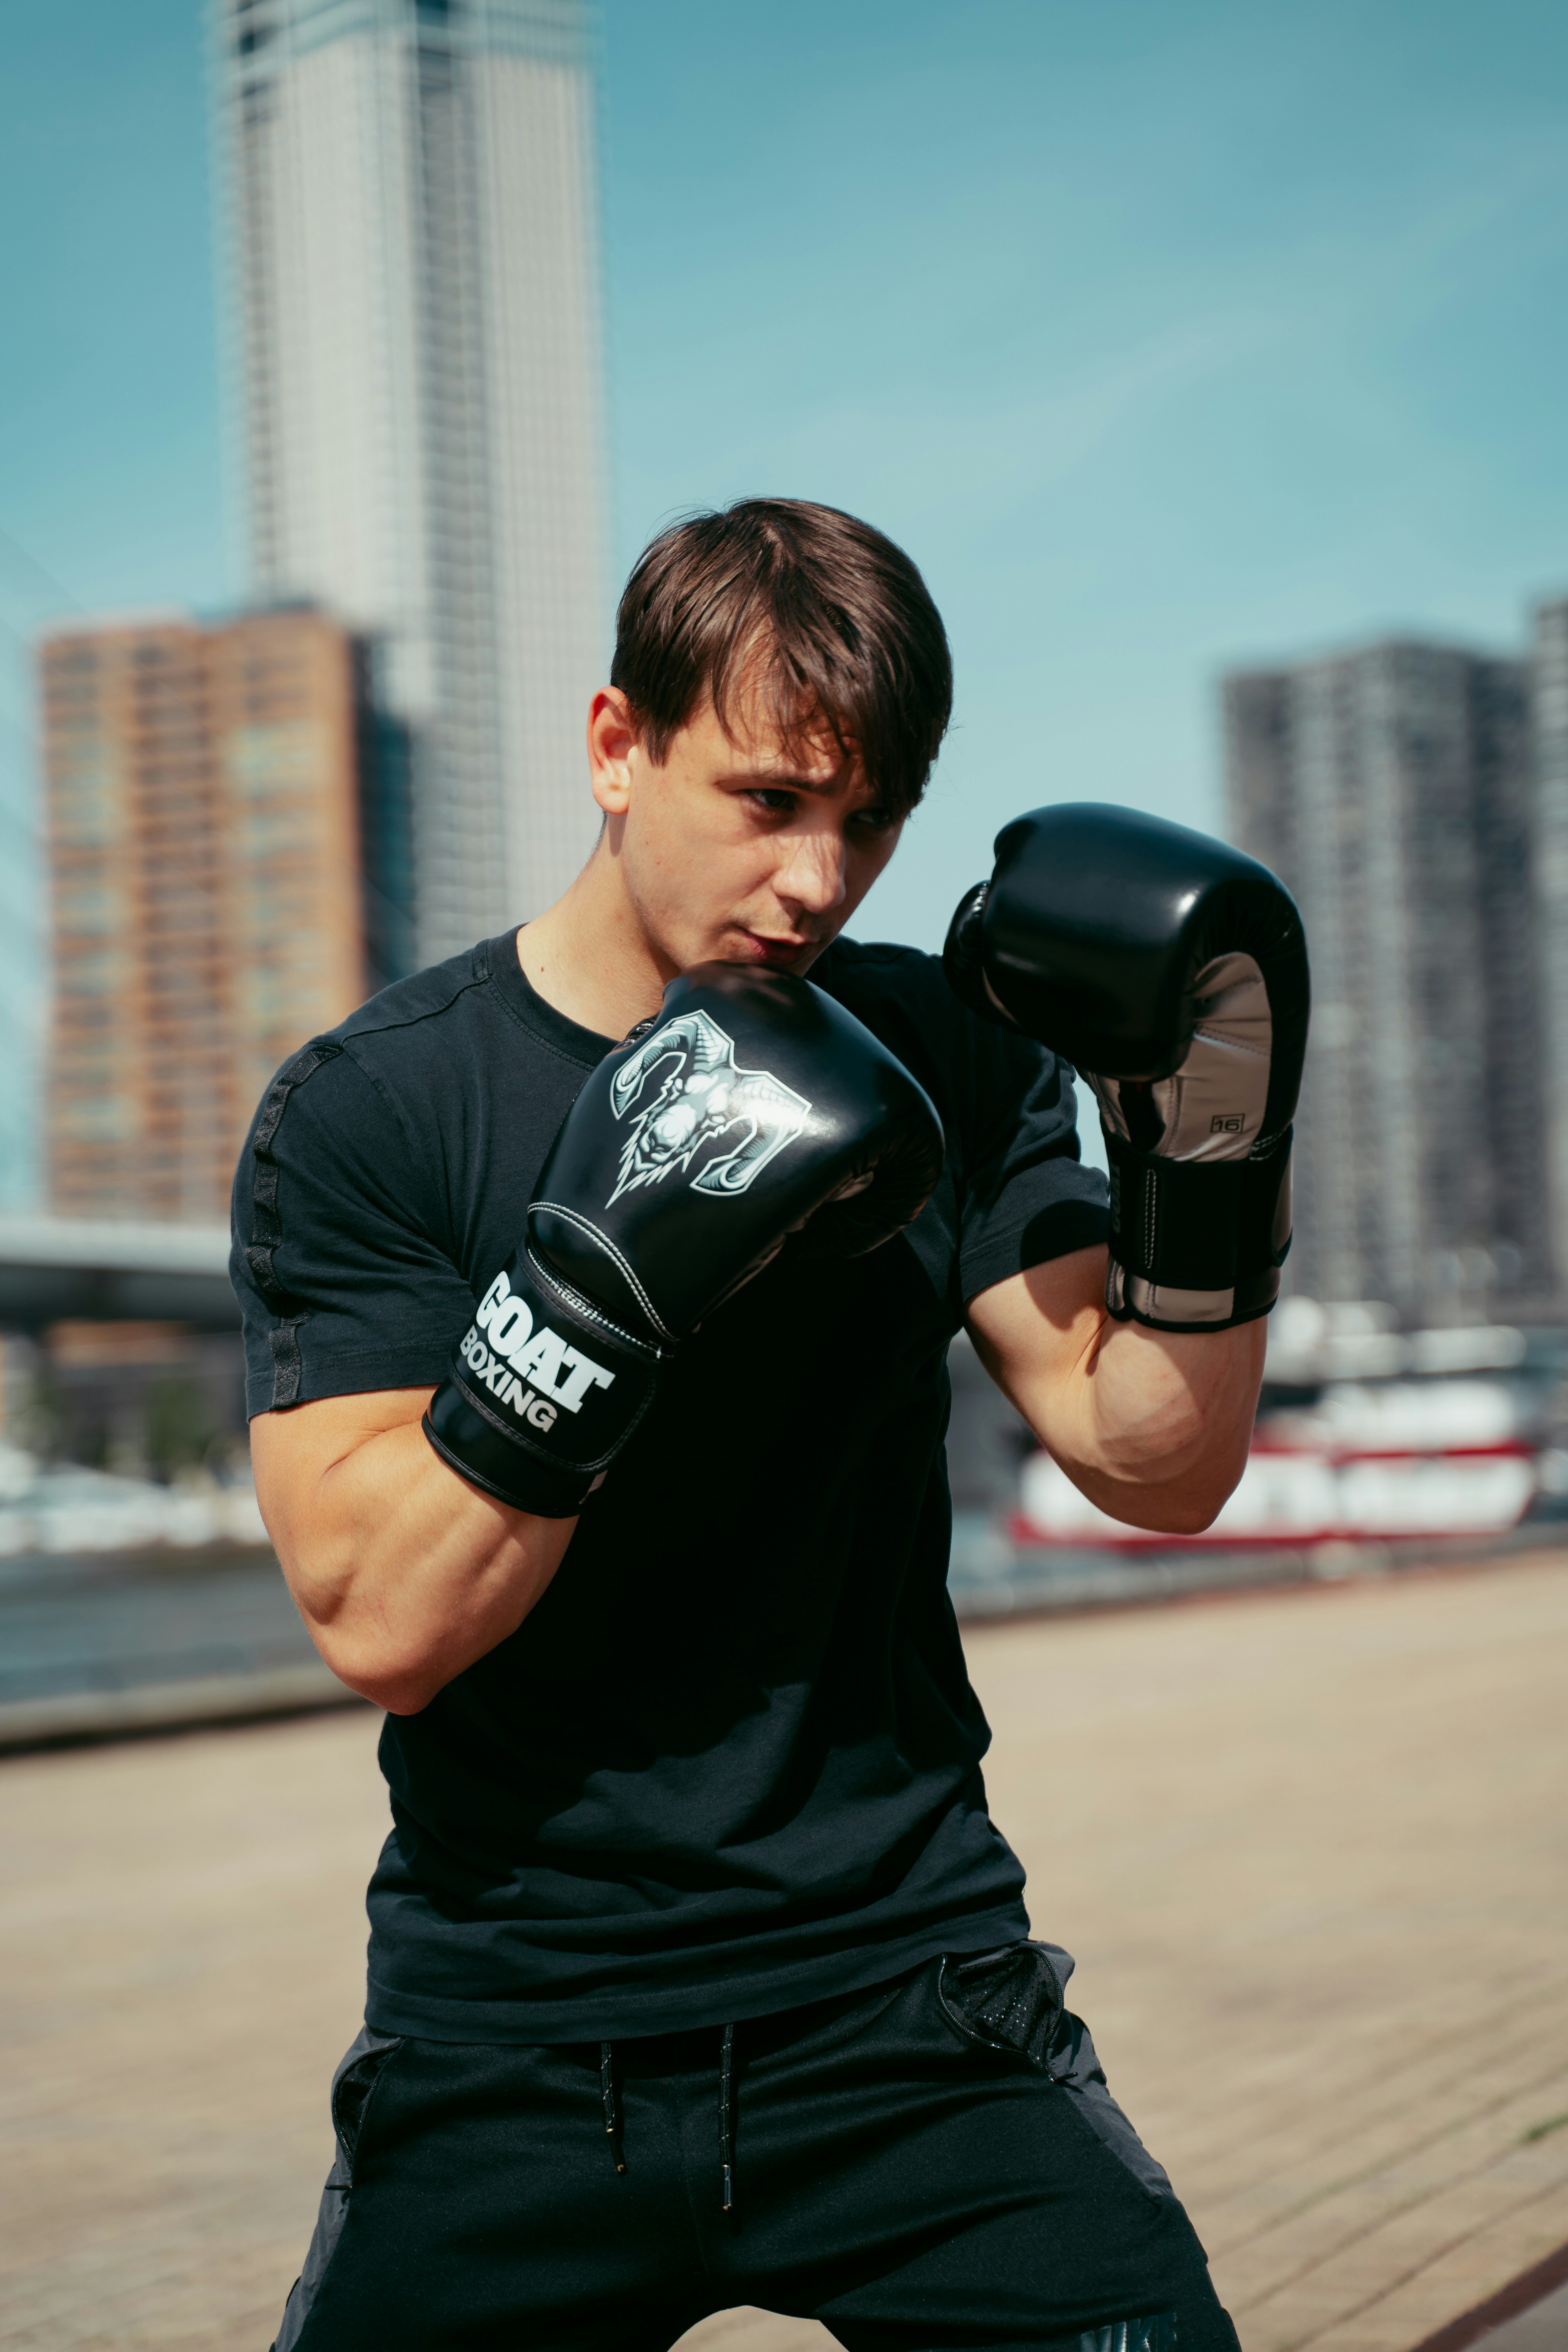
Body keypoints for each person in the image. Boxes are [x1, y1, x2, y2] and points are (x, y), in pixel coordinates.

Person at [235, 498, 1307, 2352]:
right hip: (511, 2035)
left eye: (868, 820)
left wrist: (1208, 1150)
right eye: (767, 799)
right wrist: (609, 1265)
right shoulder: (374, 1110)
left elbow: (1158, 1461)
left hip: (906, 2005)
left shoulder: (947, 1048)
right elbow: (385, 1626)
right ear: (616, 746)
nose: (819, 882)